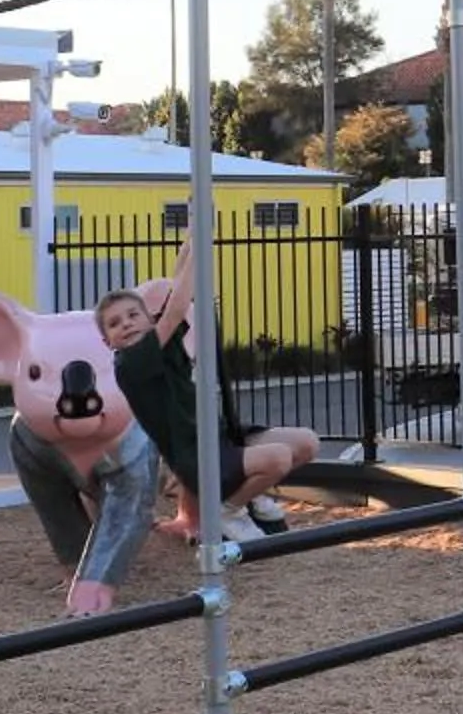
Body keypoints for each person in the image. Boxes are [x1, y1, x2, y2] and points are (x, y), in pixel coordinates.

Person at [105, 232, 323, 543]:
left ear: (150, 320)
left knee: (306, 443)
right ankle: (227, 509)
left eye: (132, 315)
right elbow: (176, 307)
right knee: (278, 457)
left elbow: (175, 291)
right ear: (107, 341)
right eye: (114, 323)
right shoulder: (130, 363)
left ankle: (248, 493)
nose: (126, 323)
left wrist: (193, 234)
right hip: (195, 456)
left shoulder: (162, 345)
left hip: (219, 438)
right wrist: (202, 245)